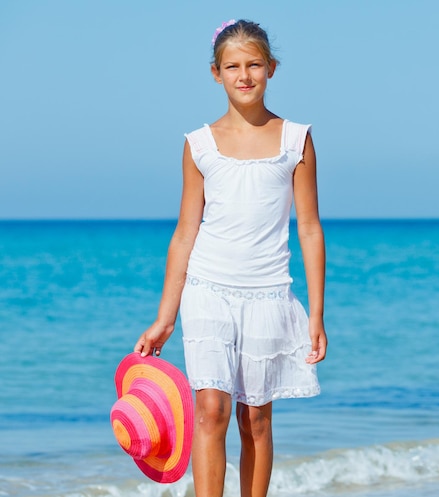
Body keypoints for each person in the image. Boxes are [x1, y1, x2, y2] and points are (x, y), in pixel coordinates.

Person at [133, 19, 327, 497]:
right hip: (208, 291)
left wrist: (317, 315)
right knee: (211, 410)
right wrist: (165, 317)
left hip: (267, 294)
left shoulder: (295, 139)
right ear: (216, 73)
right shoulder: (199, 144)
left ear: (272, 69)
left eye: (254, 64)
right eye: (233, 66)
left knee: (255, 419)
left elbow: (308, 228)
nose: (245, 75)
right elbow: (184, 232)